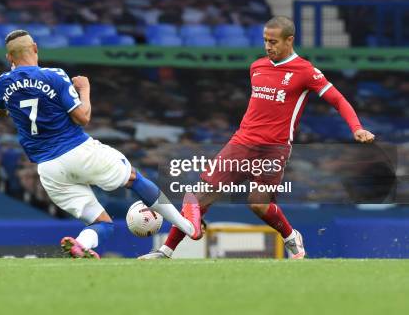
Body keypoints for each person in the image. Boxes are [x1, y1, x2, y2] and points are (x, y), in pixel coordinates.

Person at [140, 16, 375, 259]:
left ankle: (291, 237)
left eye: (273, 41)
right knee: (199, 197)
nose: (267, 46)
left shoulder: (305, 71)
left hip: (274, 148)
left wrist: (356, 127)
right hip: (242, 142)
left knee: (257, 203)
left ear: (289, 40)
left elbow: (337, 99)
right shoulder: (257, 67)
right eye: (265, 41)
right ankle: (165, 251)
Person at [0, 30, 202, 258]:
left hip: (48, 169)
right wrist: (84, 89)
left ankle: (81, 244)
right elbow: (83, 117)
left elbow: (0, 111)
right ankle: (189, 227)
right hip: (77, 151)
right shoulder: (54, 75)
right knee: (133, 178)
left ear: (9, 58)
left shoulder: (2, 83)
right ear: (35, 47)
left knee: (102, 223)